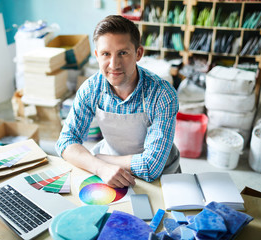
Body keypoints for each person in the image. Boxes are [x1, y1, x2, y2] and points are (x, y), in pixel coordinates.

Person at [56, 15, 180, 188]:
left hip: (162, 175)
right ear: (97, 56)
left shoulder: (162, 94)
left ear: (138, 53)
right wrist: (100, 167)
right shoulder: (91, 89)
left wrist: (99, 159)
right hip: (109, 171)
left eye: (123, 53)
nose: (114, 65)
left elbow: (151, 167)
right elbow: (66, 142)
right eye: (106, 54)